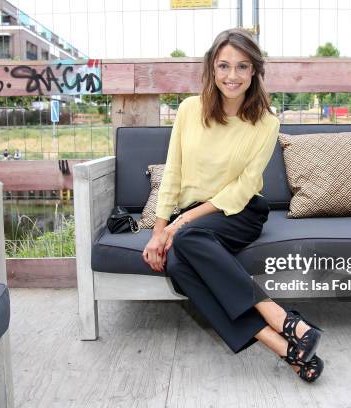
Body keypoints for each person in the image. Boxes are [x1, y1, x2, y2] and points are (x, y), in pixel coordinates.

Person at [142, 28, 324, 382]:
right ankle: (288, 345)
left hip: (241, 211)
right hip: (193, 216)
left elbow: (243, 187)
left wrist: (178, 226)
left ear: (254, 71)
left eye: (242, 67)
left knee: (187, 238)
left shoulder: (266, 122)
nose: (232, 76)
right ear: (212, 68)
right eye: (224, 66)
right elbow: (174, 172)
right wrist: (158, 231)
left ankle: (280, 318)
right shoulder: (188, 110)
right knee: (179, 267)